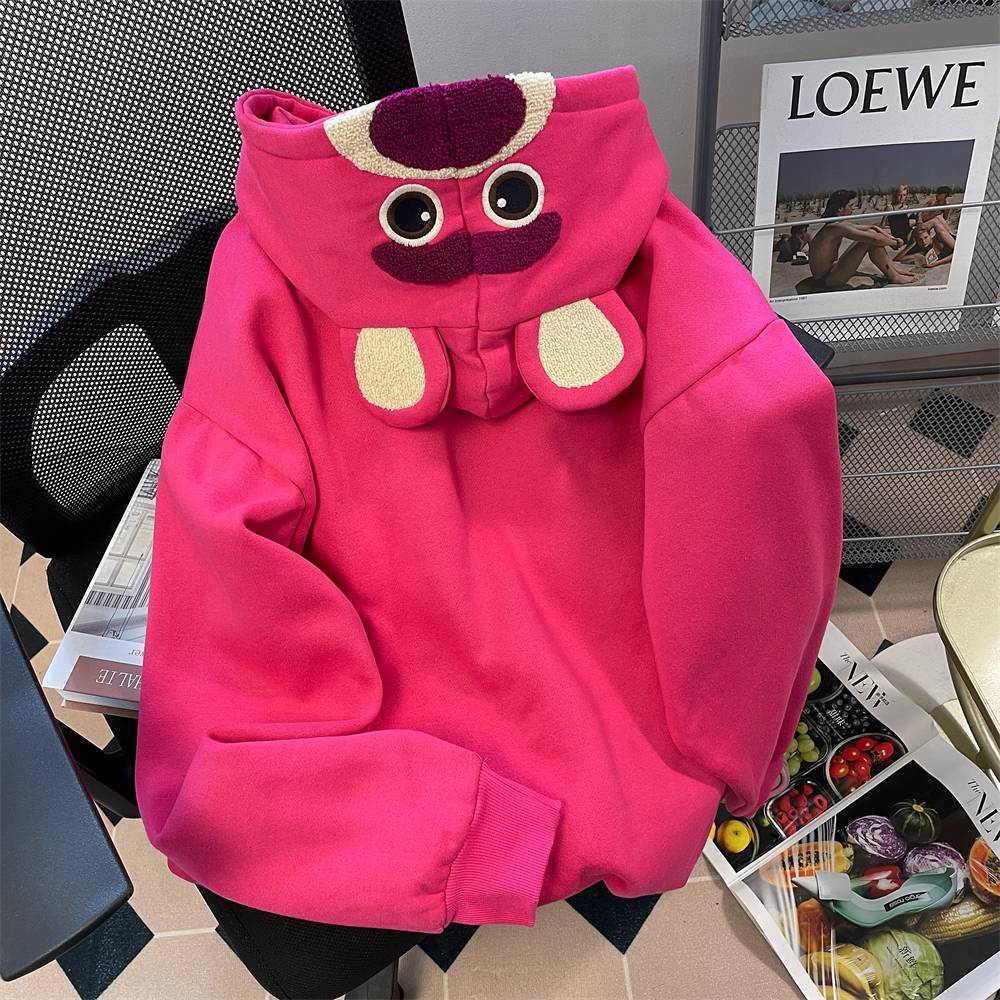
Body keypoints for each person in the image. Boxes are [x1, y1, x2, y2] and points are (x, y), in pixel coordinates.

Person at [808, 189, 916, 288]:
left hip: (831, 270)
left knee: (870, 235)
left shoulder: (835, 224)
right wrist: (895, 242)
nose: (853, 208)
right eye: (850, 205)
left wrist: (893, 239)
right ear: (840, 208)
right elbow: (875, 239)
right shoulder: (835, 227)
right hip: (827, 279)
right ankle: (893, 276)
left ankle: (894, 270)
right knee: (869, 241)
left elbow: (872, 227)